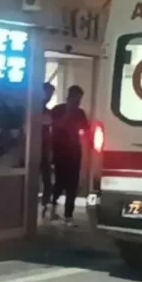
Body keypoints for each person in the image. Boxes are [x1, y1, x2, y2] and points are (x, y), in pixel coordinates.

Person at [49, 85, 89, 223]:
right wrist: (68, 112)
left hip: (74, 150)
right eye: (76, 99)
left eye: (80, 100)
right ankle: (52, 207)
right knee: (60, 181)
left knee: (73, 183)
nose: (78, 102)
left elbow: (85, 129)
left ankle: (68, 214)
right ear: (70, 97)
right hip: (60, 149)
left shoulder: (80, 113)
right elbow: (57, 125)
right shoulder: (58, 109)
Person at [39, 83, 56, 218]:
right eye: (48, 93)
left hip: (44, 149)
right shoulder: (33, 110)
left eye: (51, 94)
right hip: (34, 149)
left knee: (46, 179)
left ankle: (45, 204)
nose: (49, 97)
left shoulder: (48, 112)